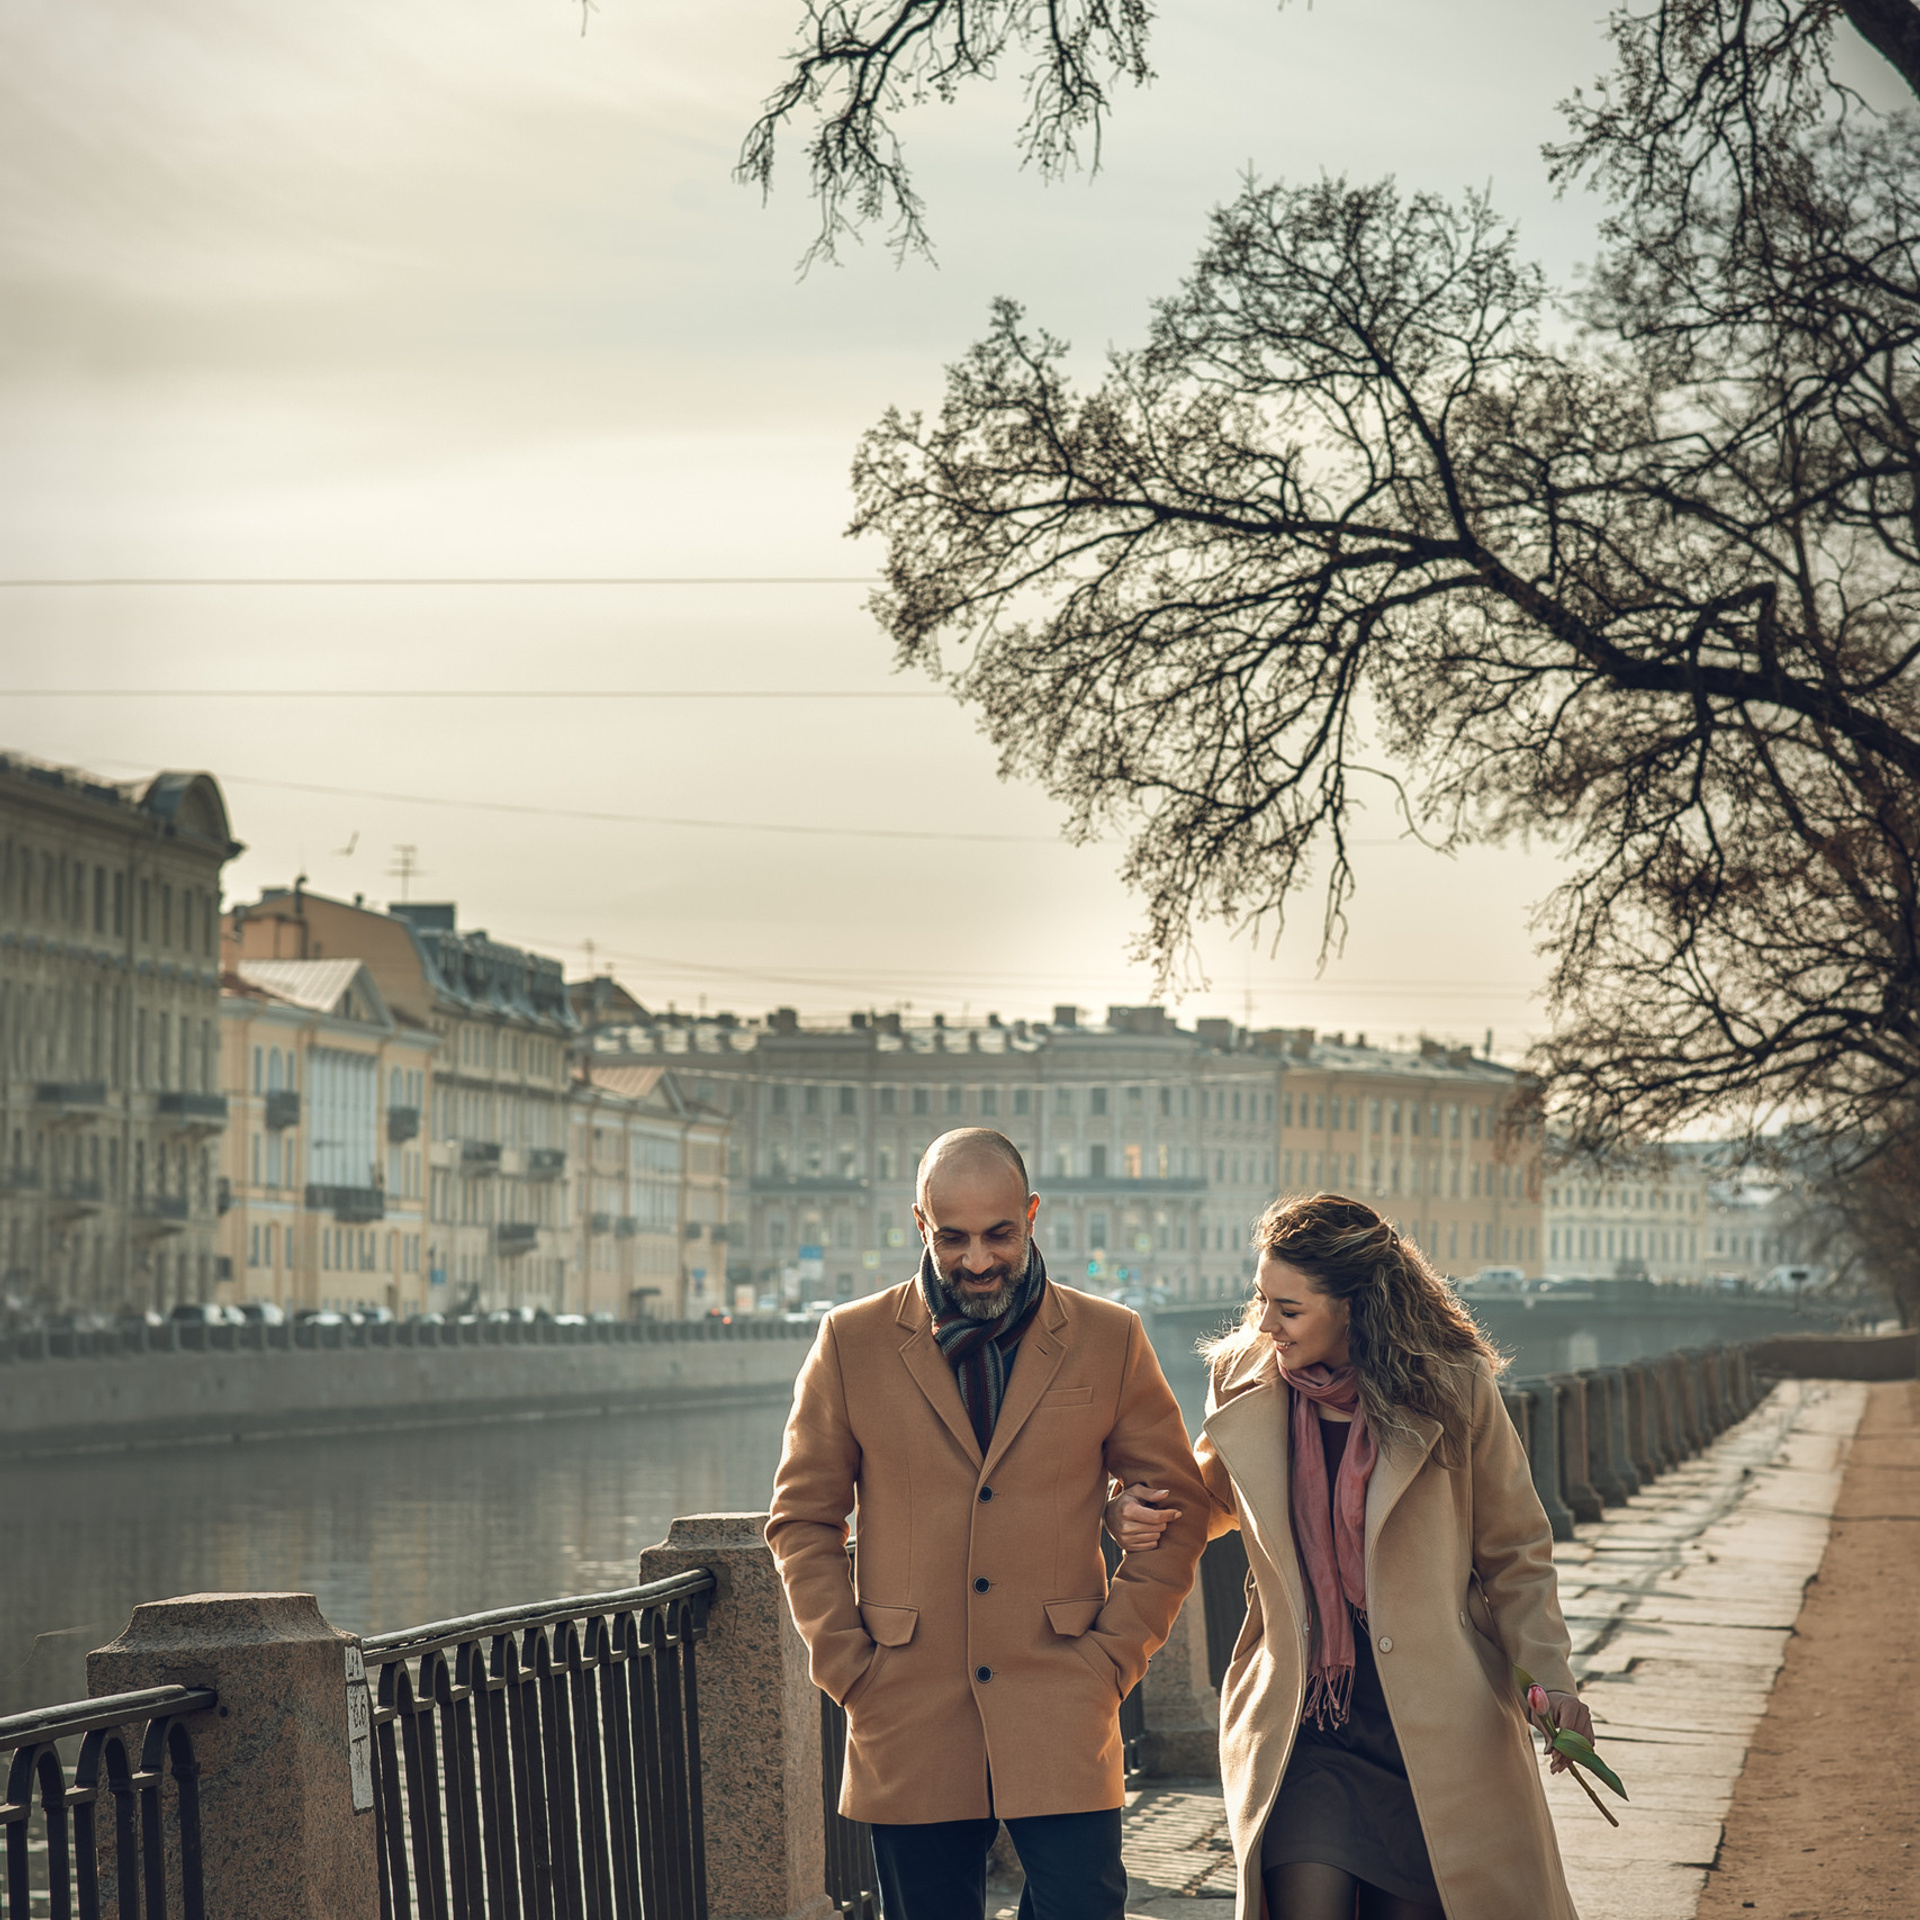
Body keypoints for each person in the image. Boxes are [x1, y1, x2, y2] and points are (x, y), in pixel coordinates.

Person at [767, 1127, 1208, 1920]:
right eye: (954, 1238)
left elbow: (1176, 1511)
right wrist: (850, 1668)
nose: (977, 1261)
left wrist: (1114, 1658)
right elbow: (803, 1520)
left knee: (1085, 1904)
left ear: (1032, 1216)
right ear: (919, 1226)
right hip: (905, 1701)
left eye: (999, 1234)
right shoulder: (851, 1341)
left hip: (1064, 1691)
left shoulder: (1110, 1339)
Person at [1114, 1194, 1589, 1920]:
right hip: (1304, 1717)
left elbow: (1516, 1554)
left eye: (1289, 1309)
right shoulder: (1247, 1374)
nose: (1266, 1324)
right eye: (1261, 1300)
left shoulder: (1454, 1386)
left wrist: (1551, 1681)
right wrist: (1132, 1511)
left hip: (1432, 1724)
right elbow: (1214, 1497)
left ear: (1354, 1306)